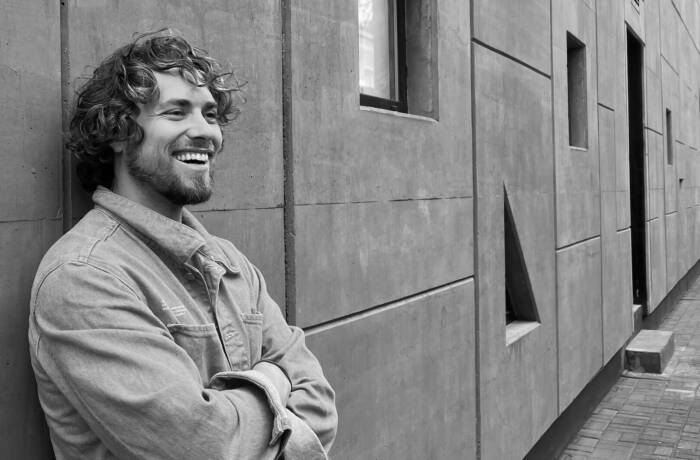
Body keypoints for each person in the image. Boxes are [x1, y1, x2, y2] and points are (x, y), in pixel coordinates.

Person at [28, 31, 337, 460]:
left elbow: (320, 405)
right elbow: (204, 446)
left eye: (210, 115)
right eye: (176, 112)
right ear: (117, 131)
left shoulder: (229, 262)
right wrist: (275, 380)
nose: (205, 132)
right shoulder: (84, 276)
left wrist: (243, 419)